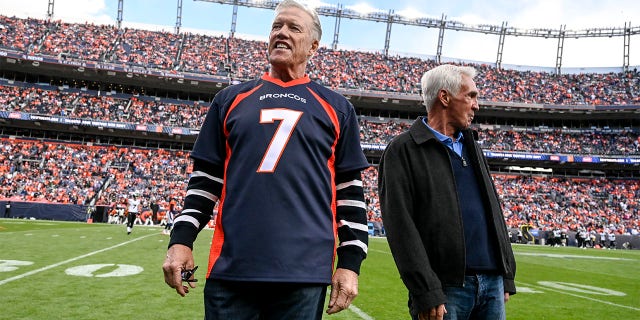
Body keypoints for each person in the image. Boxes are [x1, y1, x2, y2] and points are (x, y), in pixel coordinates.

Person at [162, 1, 370, 319]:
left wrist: (350, 263)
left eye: (293, 27)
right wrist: (182, 239)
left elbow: (350, 194)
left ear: (314, 46)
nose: (282, 33)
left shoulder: (337, 108)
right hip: (232, 270)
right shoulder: (229, 100)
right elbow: (204, 183)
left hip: (303, 275)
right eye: (277, 26)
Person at [378, 64, 517, 320]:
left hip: (492, 284)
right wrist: (426, 290)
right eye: (470, 96)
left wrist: (505, 272)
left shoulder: (473, 147)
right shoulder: (402, 150)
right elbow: (400, 228)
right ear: (444, 97)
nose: (476, 105)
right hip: (446, 288)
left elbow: (493, 209)